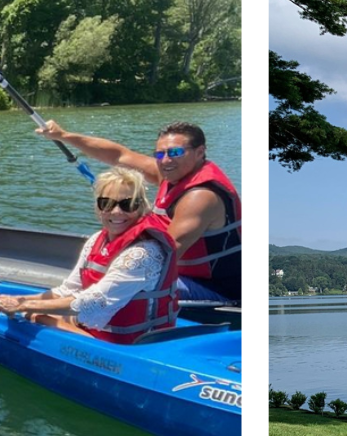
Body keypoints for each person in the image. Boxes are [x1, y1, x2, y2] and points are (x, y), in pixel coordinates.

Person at [34, 119, 240, 304]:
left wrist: (106, 273)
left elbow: (160, 258)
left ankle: (69, 313)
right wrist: (64, 136)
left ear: (200, 152)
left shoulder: (200, 197)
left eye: (176, 152)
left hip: (215, 290)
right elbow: (119, 155)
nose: (166, 160)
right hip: (180, 274)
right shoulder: (172, 173)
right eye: (160, 154)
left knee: (126, 284)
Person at [0, 167, 178, 343]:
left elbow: (92, 302)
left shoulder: (142, 254)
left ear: (141, 207)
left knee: (34, 316)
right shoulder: (98, 239)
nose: (116, 211)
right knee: (33, 312)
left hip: (128, 344)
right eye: (107, 203)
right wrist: (21, 300)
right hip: (96, 327)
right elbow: (68, 290)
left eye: (127, 204)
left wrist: (22, 307)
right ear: (98, 207)